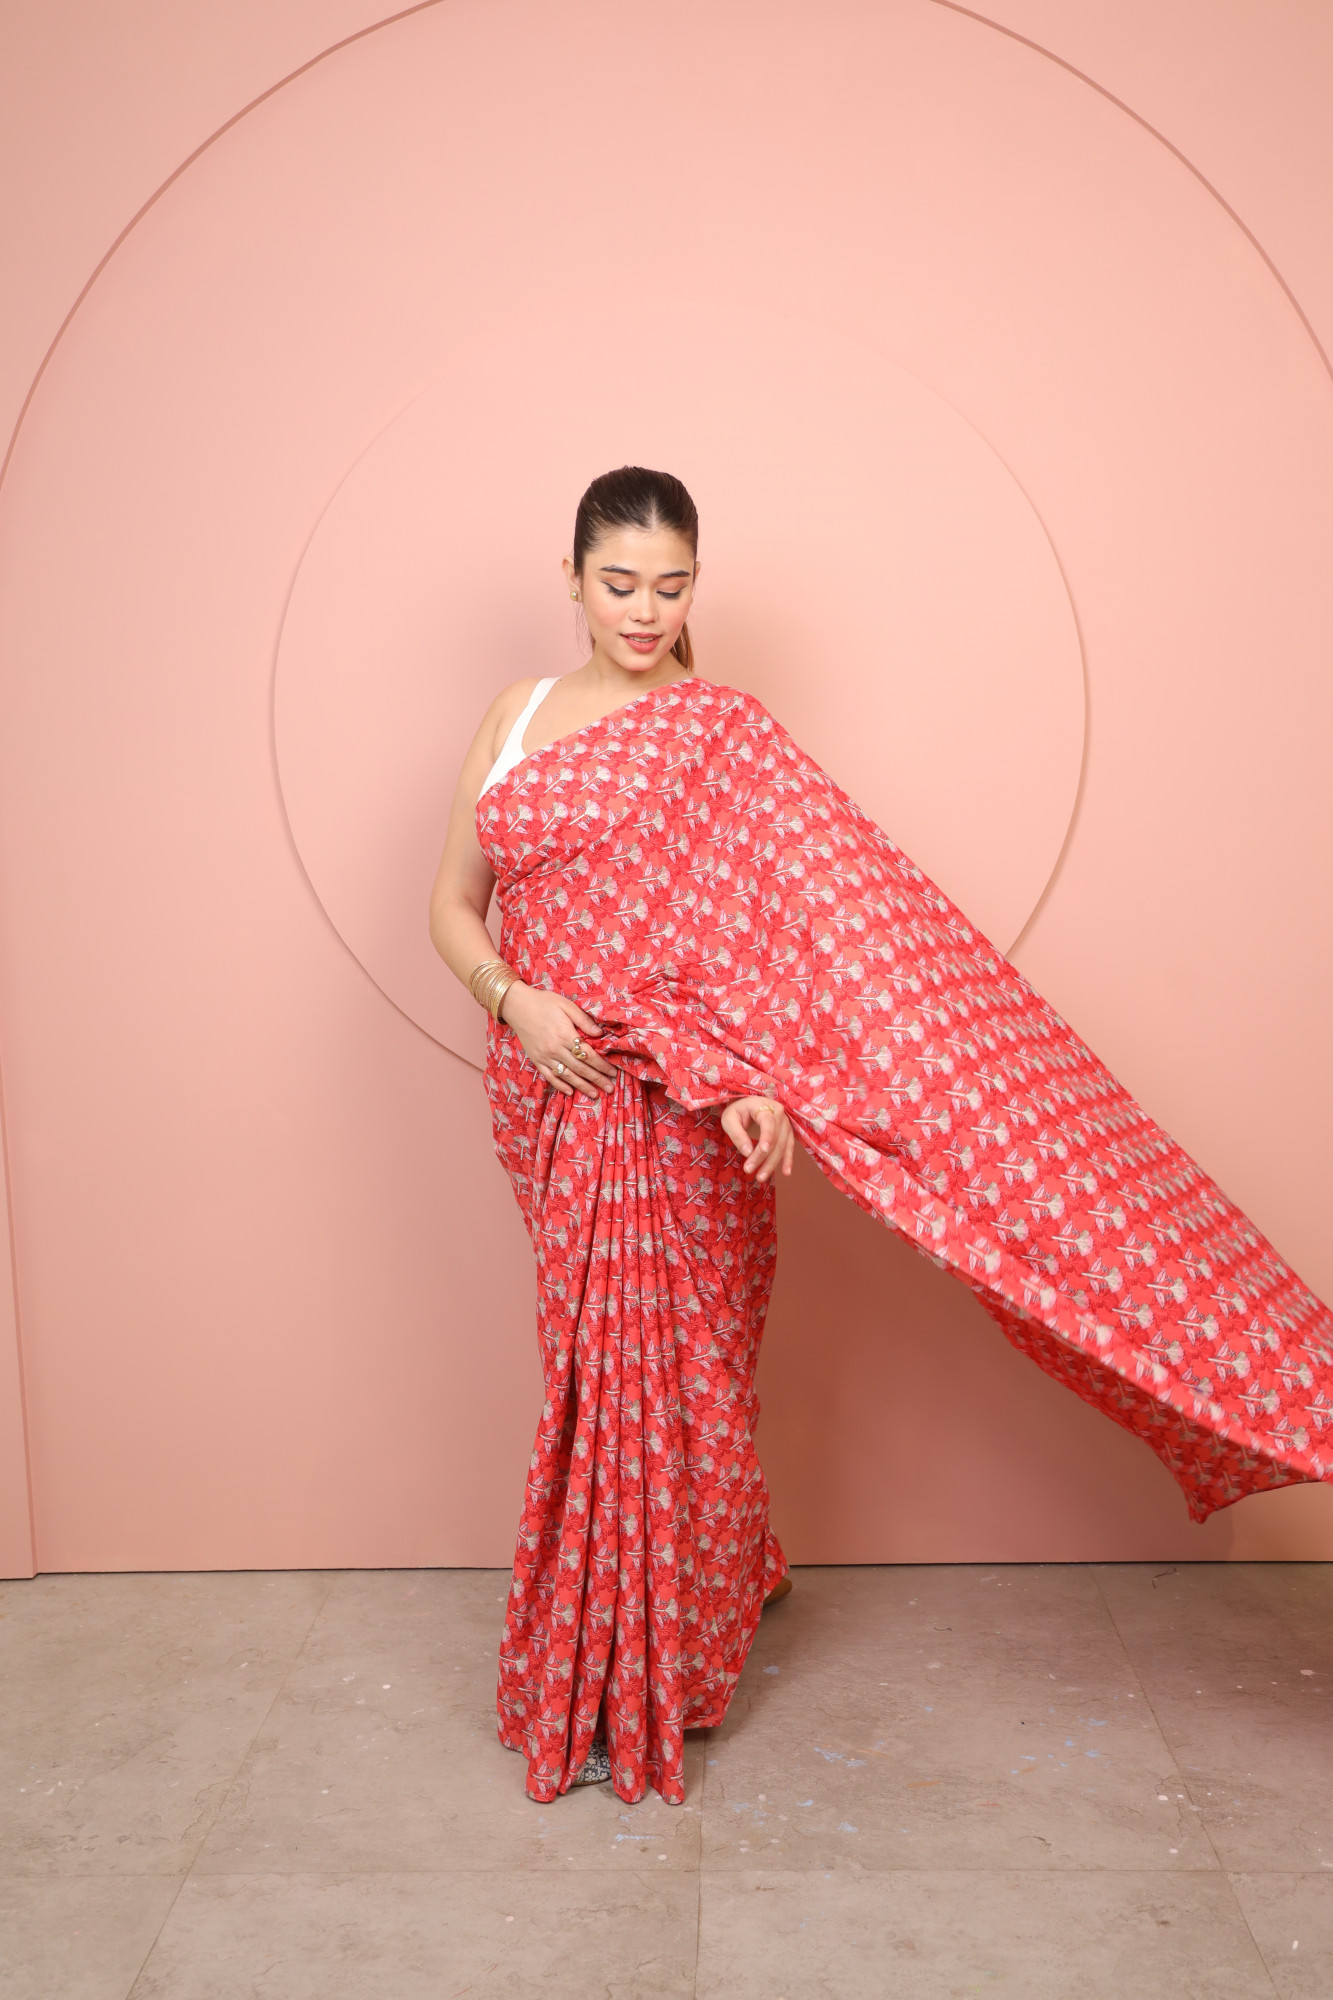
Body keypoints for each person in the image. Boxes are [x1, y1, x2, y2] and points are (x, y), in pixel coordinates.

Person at [429, 464, 1333, 1808]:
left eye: (670, 584)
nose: (642, 608)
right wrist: (517, 995)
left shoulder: (721, 734)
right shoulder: (515, 717)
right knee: (592, 1375)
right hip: (548, 1093)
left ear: (694, 587)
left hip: (685, 1112)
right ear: (570, 580)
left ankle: (674, 1656)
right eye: (617, 583)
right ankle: (651, 1609)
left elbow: (796, 947)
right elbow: (451, 905)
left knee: (690, 1382)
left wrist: (749, 1082)